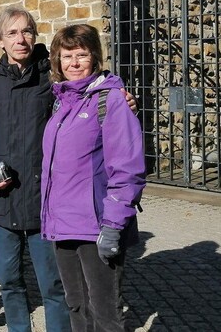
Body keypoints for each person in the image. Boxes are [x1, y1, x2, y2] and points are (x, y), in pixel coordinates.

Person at [0, 6, 70, 332]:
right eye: (12, 33)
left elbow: (90, 86)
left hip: (43, 203)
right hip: (2, 202)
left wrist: (117, 96)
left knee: (52, 287)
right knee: (10, 283)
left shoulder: (53, 79)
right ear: (0, 40)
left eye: (26, 31)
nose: (20, 38)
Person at [41, 24, 145, 332]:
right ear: (57, 62)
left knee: (105, 314)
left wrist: (114, 225)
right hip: (62, 224)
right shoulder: (61, 102)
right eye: (66, 56)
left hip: (96, 226)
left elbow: (126, 168)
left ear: (94, 57)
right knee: (77, 308)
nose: (74, 63)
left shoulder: (110, 100)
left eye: (81, 55)